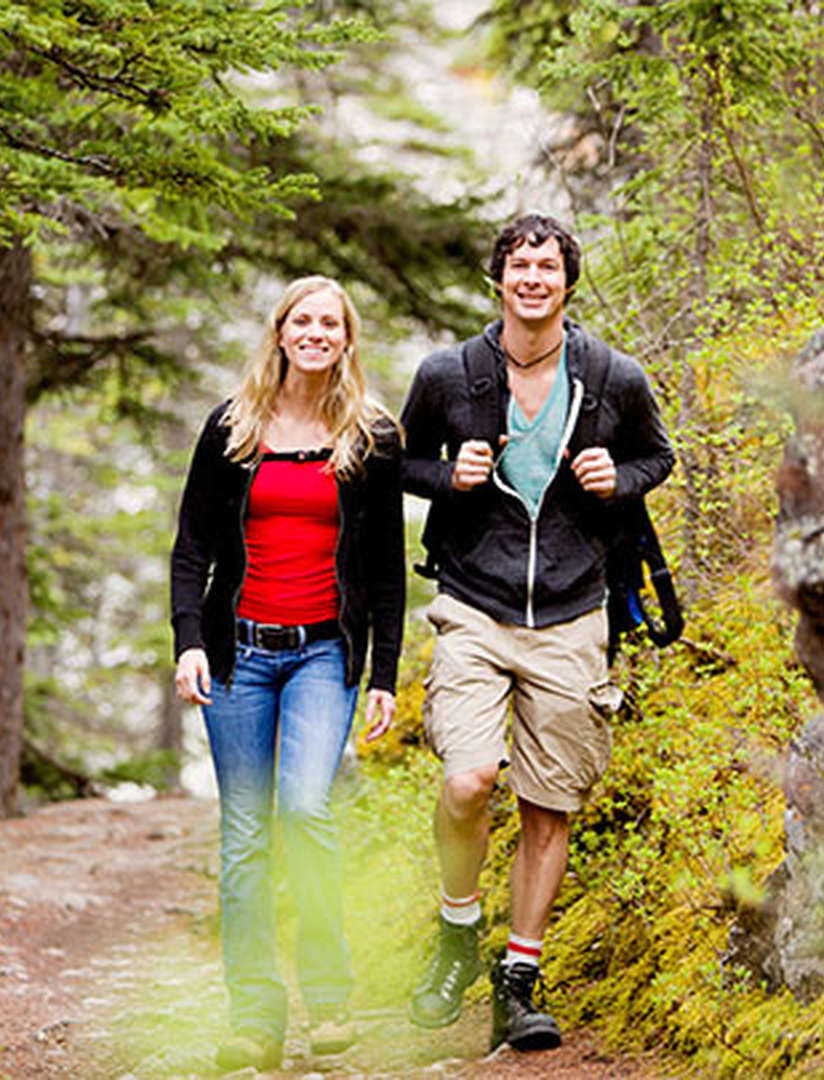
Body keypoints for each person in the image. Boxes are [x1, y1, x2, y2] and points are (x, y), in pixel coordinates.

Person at [399, 214, 673, 1052]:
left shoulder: (612, 375)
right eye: (519, 265)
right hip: (473, 605)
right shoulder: (451, 372)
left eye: (547, 266)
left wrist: (617, 479)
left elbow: (657, 457)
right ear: (498, 279)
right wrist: (449, 477)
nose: (532, 279)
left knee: (548, 804)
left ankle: (518, 976)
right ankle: (456, 930)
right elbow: (399, 462)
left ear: (567, 281)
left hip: (573, 610)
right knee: (469, 780)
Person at [170, 276, 406, 1071]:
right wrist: (187, 641)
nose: (314, 333)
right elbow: (192, 546)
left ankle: (330, 999)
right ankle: (255, 1019)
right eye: (301, 320)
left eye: (328, 323)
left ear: (346, 338)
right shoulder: (232, 429)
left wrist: (384, 675)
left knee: (304, 811)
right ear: (279, 333)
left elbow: (384, 571)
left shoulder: (370, 436)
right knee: (244, 836)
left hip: (322, 654)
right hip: (237, 652)